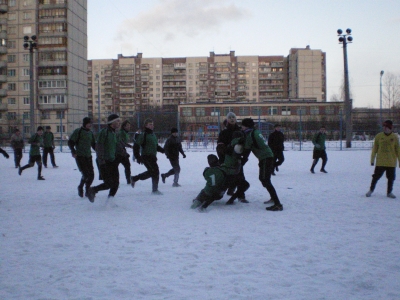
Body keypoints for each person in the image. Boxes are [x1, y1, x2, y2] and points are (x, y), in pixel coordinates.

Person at [241, 118, 283, 211]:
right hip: (266, 157)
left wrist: (241, 163)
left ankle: (277, 204)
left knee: (265, 180)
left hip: (265, 158)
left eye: (243, 126)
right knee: (263, 179)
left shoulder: (250, 135)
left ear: (246, 126)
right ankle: (273, 198)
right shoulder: (255, 132)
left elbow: (246, 152)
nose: (242, 128)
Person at [87, 114, 121, 204]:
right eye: (117, 121)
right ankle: (92, 190)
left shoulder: (114, 133)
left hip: (112, 161)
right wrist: (101, 160)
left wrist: (122, 155)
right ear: (111, 122)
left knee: (116, 184)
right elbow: (99, 147)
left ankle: (109, 201)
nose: (119, 122)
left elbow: (116, 146)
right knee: (109, 183)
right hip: (104, 162)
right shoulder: (104, 132)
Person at [216, 111, 249, 202]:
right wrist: (223, 156)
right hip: (227, 158)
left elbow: (246, 145)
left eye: (233, 117)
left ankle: (241, 196)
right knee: (225, 176)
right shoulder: (224, 132)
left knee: (240, 176)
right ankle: (219, 192)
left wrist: (244, 157)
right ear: (227, 119)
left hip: (237, 158)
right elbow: (219, 146)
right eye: (230, 117)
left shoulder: (240, 132)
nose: (232, 119)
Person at [366, 120, 400, 198]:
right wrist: (372, 159)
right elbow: (375, 149)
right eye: (384, 127)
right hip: (380, 162)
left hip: (391, 162)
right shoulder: (379, 136)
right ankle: (371, 190)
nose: (385, 128)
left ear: (390, 128)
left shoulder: (395, 137)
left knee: (391, 178)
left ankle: (389, 192)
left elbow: (398, 150)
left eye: (387, 127)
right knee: (376, 177)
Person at [130, 119, 165, 195]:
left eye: (152, 124)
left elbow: (156, 146)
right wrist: (137, 157)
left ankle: (134, 178)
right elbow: (136, 146)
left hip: (153, 157)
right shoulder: (143, 135)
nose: (152, 126)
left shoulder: (153, 135)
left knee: (154, 172)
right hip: (146, 157)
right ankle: (154, 190)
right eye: (150, 124)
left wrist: (163, 150)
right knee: (154, 172)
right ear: (146, 125)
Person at [68, 117, 96, 198]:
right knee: (86, 174)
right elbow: (70, 142)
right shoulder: (78, 131)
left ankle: (87, 190)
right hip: (80, 156)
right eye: (88, 123)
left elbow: (93, 145)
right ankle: (80, 187)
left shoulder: (90, 133)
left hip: (88, 156)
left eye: (90, 123)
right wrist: (73, 151)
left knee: (91, 175)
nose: (89, 125)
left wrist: (100, 151)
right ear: (84, 124)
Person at [117, 120, 133, 184]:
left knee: (127, 165)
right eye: (127, 126)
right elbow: (121, 142)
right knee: (125, 165)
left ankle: (128, 179)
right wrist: (129, 146)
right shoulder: (121, 133)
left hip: (122, 151)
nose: (129, 127)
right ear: (124, 126)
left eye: (129, 126)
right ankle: (115, 181)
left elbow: (124, 142)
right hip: (119, 151)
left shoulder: (125, 132)